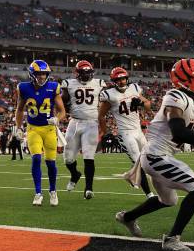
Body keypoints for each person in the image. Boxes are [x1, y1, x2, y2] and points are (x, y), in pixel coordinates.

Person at [116, 58, 194, 251]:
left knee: (169, 201)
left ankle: (127, 217)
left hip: (162, 156)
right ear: (188, 79)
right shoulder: (175, 96)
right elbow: (179, 132)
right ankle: (171, 239)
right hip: (155, 155)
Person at [15, 60, 66, 206]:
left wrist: (57, 119)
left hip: (49, 130)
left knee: (50, 163)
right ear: (32, 74)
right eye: (38, 73)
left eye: (44, 73)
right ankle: (38, 193)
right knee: (36, 158)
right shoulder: (23, 88)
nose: (42, 76)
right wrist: (18, 128)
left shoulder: (53, 87)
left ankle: (53, 191)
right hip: (33, 129)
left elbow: (62, 111)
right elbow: (19, 110)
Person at [98, 67, 154, 198]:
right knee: (137, 161)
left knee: (149, 160)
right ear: (114, 81)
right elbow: (101, 116)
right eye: (118, 79)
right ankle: (149, 194)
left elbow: (148, 104)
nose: (122, 81)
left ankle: (130, 176)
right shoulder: (109, 94)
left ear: (127, 78)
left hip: (138, 131)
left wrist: (141, 102)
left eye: (123, 78)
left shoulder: (134, 88)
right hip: (125, 133)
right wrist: (105, 133)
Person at [61, 60, 106, 199]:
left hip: (91, 123)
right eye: (83, 73)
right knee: (67, 158)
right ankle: (75, 174)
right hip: (74, 122)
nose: (86, 76)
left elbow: (106, 102)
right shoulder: (68, 84)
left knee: (88, 156)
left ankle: (89, 188)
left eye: (88, 73)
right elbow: (62, 101)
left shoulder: (99, 83)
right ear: (77, 73)